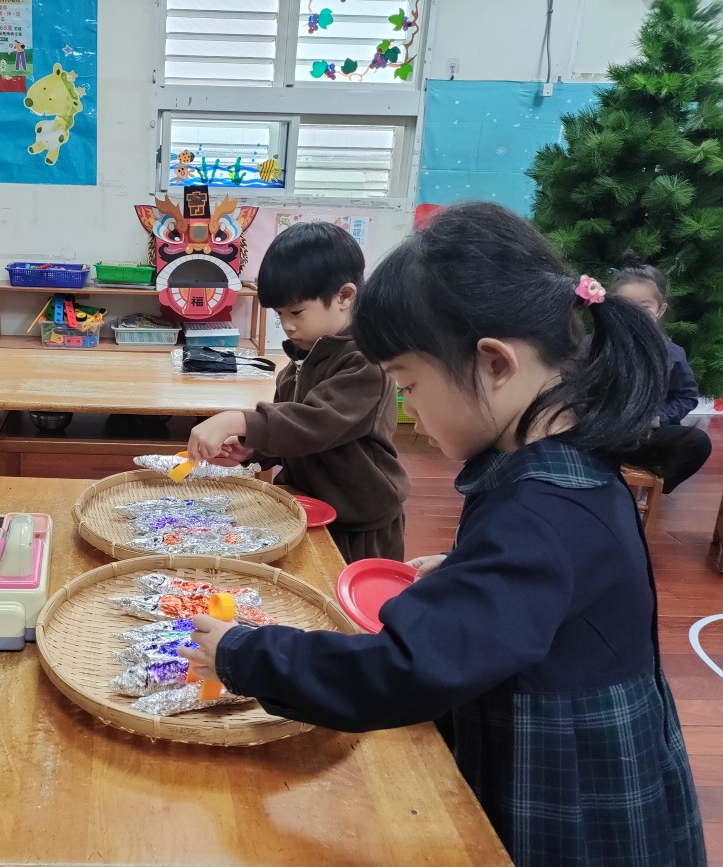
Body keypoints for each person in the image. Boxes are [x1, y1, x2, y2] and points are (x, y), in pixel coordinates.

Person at [179, 202, 705, 866]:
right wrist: (467, 571)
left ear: (495, 364)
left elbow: (406, 668)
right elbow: (552, 592)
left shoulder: (540, 508)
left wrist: (247, 655)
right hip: (563, 732)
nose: (411, 416)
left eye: (410, 385)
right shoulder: (560, 465)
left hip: (568, 793)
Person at [184, 221, 409, 562]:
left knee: (341, 591)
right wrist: (252, 449)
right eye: (280, 314)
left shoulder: (366, 362)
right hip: (305, 504)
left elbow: (316, 423)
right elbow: (291, 436)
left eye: (297, 312)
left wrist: (237, 420)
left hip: (359, 521)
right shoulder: (299, 362)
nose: (287, 325)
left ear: (344, 297)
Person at [609, 252, 712, 493]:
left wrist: (660, 417)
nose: (634, 315)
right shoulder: (595, 346)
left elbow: (686, 396)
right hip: (600, 435)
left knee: (698, 442)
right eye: (625, 306)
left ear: (660, 310)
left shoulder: (671, 354)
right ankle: (601, 482)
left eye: (644, 307)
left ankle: (655, 488)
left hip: (644, 437)